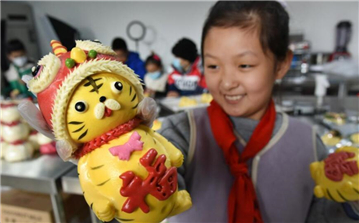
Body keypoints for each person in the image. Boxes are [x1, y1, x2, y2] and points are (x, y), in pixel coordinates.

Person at [159, 1, 356, 222]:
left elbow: (324, 216)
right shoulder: (181, 134)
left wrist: (352, 203)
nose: (226, 82)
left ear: (281, 64)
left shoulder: (309, 144)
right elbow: (154, 192)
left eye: (244, 65)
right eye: (213, 66)